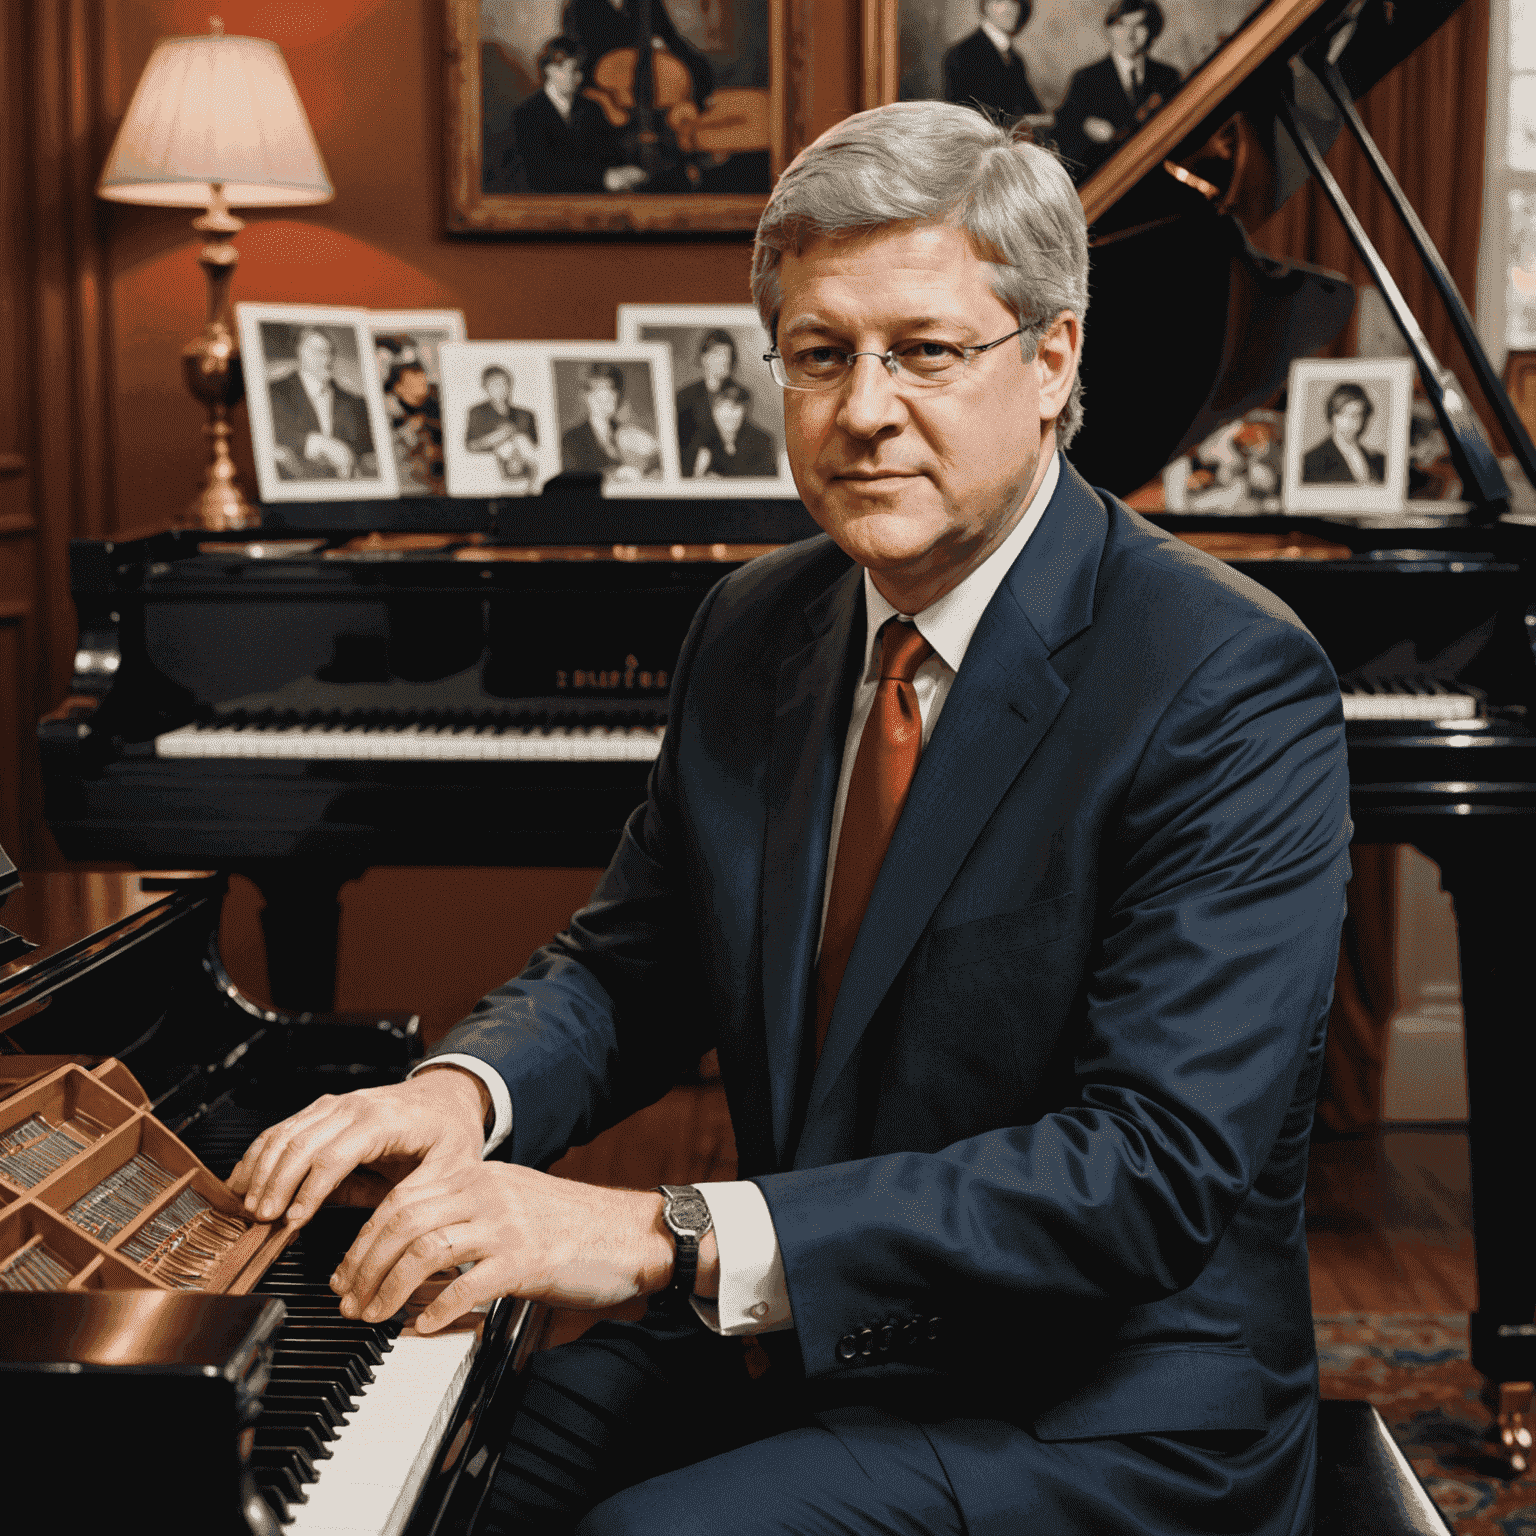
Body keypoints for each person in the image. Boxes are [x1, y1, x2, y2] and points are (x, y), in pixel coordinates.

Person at [231, 100, 1351, 1536]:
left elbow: (1144, 1172)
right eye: (820, 355)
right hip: (812, 1327)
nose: (865, 409)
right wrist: (458, 1098)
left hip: (1104, 1398)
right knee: (469, 1467)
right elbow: (631, 964)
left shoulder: (1224, 677)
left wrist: (658, 1231)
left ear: (1055, 355)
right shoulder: (755, 625)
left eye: (926, 351)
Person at [1054, 0, 1181, 178]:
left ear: (1152, 31)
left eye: (1138, 25)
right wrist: (1085, 126)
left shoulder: (1168, 76)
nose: (1129, 34)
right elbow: (1063, 134)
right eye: (1121, 25)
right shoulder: (1085, 80)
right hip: (1110, 182)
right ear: (1109, 30)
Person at [512, 37, 649, 195]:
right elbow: (541, 171)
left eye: (580, 71)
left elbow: (609, 151)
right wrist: (602, 177)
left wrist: (626, 170)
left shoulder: (591, 108)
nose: (579, 78)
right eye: (573, 70)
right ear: (550, 69)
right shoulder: (527, 113)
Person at [268, 326, 374, 480]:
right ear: (299, 353)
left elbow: (365, 445)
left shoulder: (354, 402)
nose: (326, 359)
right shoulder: (274, 393)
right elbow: (272, 435)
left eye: (329, 352)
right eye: (317, 351)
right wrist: (313, 442)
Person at [942, 0, 1043, 121]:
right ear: (985, 5)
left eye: (1015, 2)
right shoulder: (962, 54)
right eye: (1000, 2)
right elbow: (965, 115)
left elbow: (1031, 108)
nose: (1010, 9)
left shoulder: (1015, 59)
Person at [561, 362, 661, 481]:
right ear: (586, 397)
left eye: (609, 390)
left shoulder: (629, 433)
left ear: (618, 396)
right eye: (597, 391)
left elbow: (656, 464)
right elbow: (575, 482)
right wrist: (614, 476)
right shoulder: (572, 439)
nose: (604, 397)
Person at [685, 379, 778, 477]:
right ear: (713, 410)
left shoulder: (761, 442)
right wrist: (698, 476)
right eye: (723, 407)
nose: (730, 414)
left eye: (735, 407)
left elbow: (768, 482)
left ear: (744, 411)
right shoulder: (698, 442)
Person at [465, 365, 540, 485]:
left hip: (528, 479)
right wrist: (493, 438)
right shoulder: (477, 413)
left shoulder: (525, 415)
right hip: (489, 477)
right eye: (494, 384)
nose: (500, 388)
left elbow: (536, 448)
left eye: (504, 383)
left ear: (510, 386)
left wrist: (518, 442)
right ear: (485, 387)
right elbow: (470, 446)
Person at [1301, 382, 1386, 484]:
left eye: (1357, 414)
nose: (1352, 421)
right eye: (1345, 414)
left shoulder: (1377, 459)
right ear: (1332, 416)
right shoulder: (1312, 461)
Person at [673, 329, 738, 461]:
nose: (725, 359)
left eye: (728, 354)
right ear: (704, 358)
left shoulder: (741, 395)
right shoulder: (684, 397)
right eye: (718, 354)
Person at [385, 358, 445, 495]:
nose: (423, 378)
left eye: (421, 373)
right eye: (414, 375)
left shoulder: (438, 399)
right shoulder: (391, 410)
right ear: (398, 387)